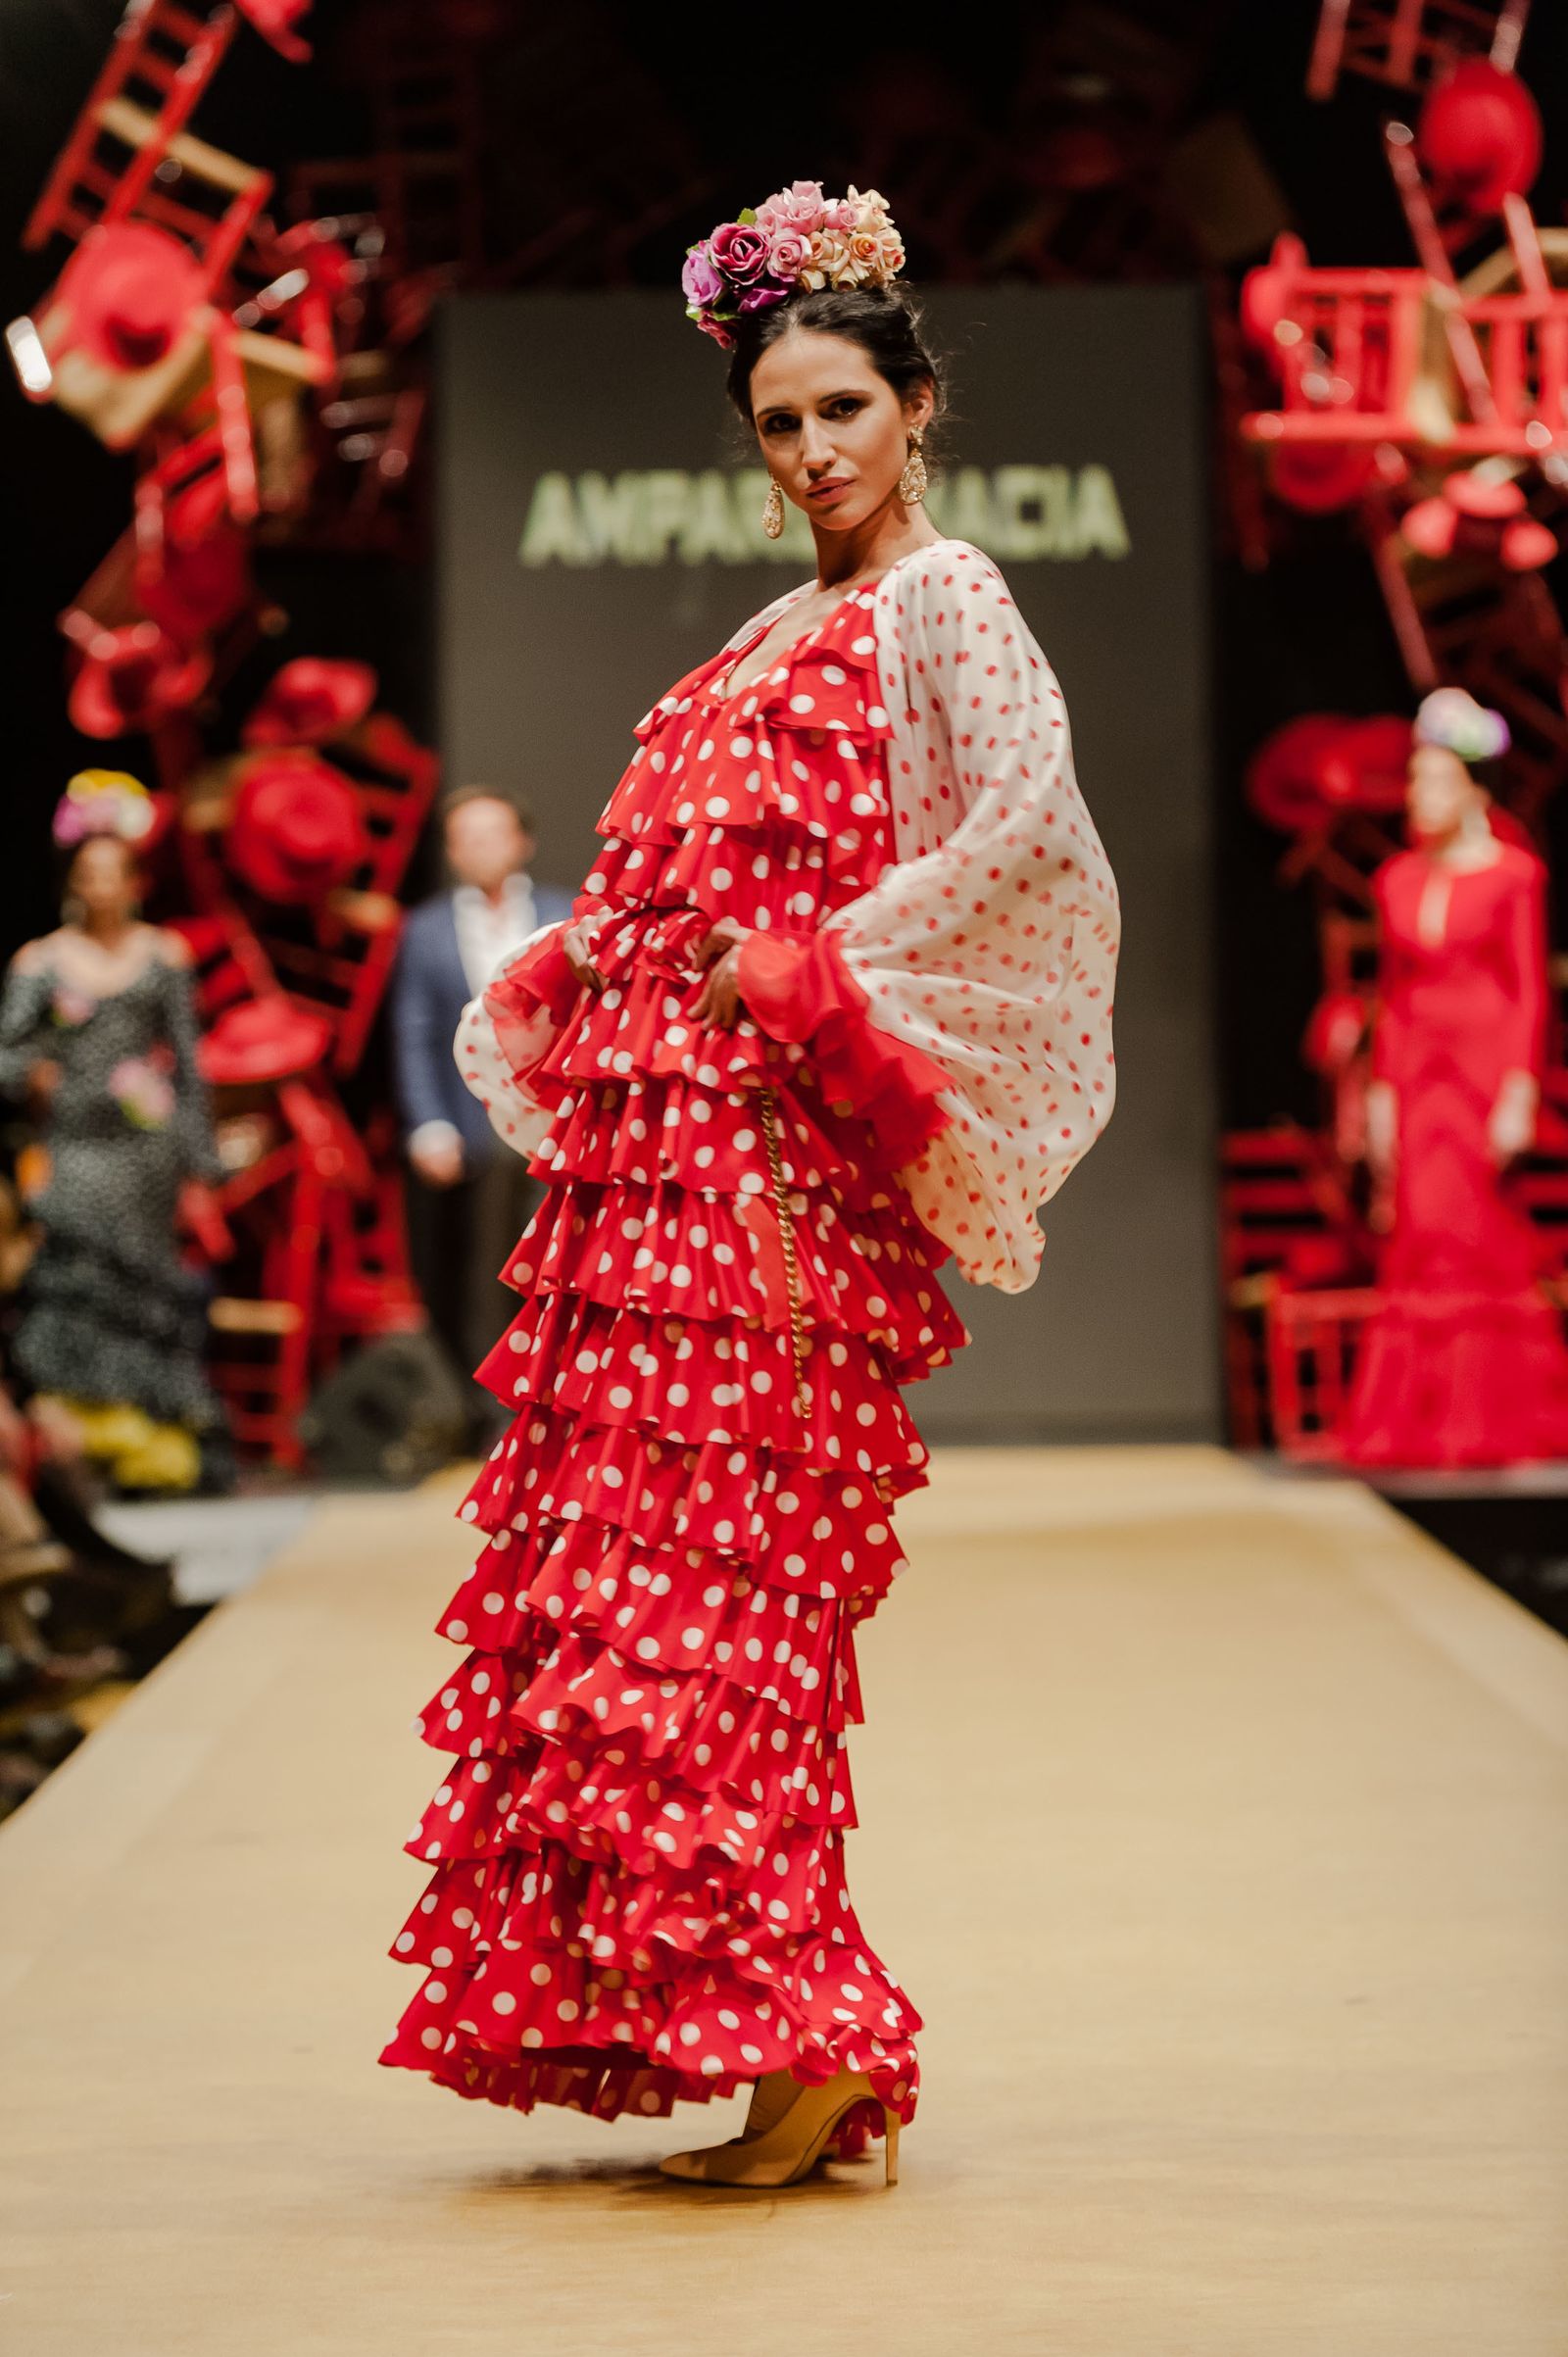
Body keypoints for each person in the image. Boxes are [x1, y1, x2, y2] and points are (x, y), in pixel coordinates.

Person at [376, 181, 1120, 2189]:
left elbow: (1025, 841)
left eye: (840, 412)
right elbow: (682, 879)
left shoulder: (943, 596)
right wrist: (586, 958)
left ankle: (809, 2038)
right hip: (650, 1203)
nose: (810, 453)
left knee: (724, 1610)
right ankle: (764, 2035)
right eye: (778, 421)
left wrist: (822, 967)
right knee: (616, 1608)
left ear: (915, 403)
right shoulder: (772, 623)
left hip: (772, 1197)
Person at [1341, 686, 1568, 1467]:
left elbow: (1529, 991)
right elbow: (1394, 998)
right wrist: (1378, 1096)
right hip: (1417, 1077)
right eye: (1416, 778)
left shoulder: (1514, 875)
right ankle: (1416, 1424)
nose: (1418, 794)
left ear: (1472, 787)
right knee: (1418, 1239)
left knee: (1476, 1237)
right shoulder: (1397, 880)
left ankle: (1488, 1423)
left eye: (1435, 779)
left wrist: (1517, 1090)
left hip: (1479, 1075)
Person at [0, 771, 228, 1494]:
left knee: (144, 1283)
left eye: (112, 872)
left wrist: (201, 1157)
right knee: (77, 1279)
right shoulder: (39, 961)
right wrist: (36, 1069)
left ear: (134, 880)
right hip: (73, 1142)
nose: (100, 885)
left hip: (144, 1148)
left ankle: (152, 1439)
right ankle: (82, 1450)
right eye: (87, 872)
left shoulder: (163, 958)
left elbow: (191, 1065)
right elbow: (7, 1052)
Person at [391, 786, 573, 1448]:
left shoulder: (566, 914)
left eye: (492, 834)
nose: (481, 849)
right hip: (475, 1129)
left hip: (562, 1123)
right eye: (465, 838)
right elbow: (412, 1034)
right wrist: (429, 1124)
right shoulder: (427, 928)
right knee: (486, 1270)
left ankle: (566, 1397)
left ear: (522, 840)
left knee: (566, 1265)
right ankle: (496, 1410)